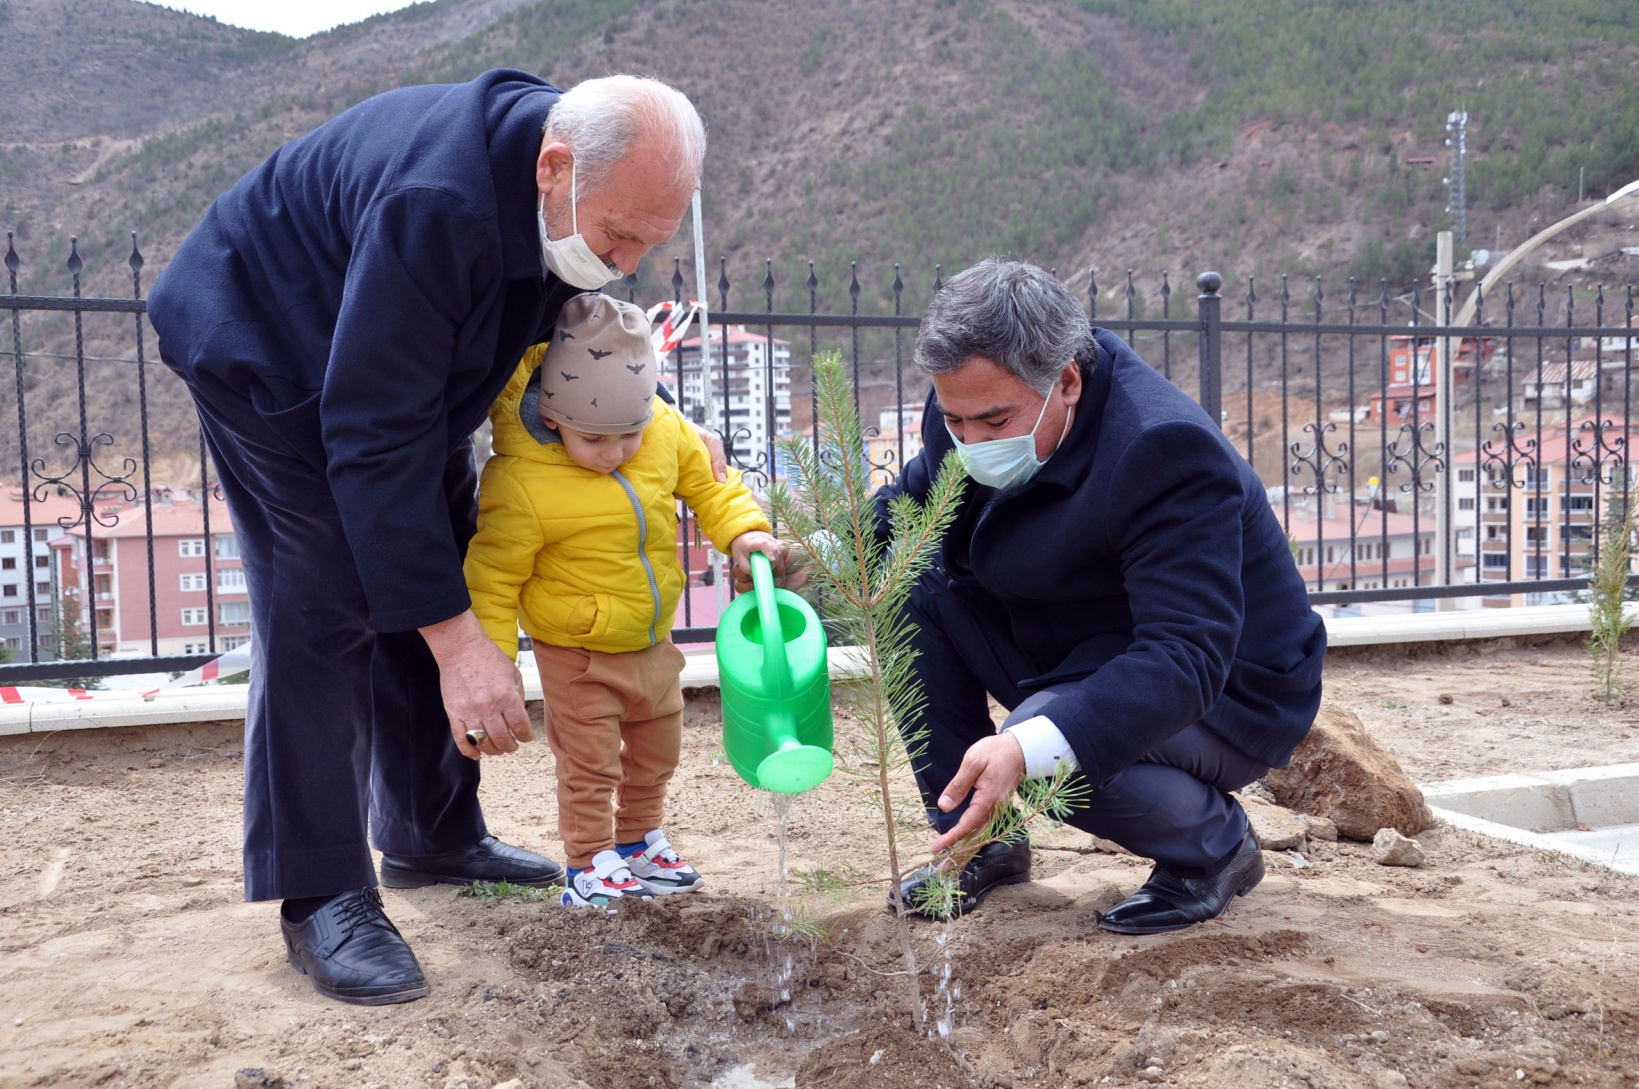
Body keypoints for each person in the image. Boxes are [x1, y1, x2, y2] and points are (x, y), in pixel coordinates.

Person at [146, 70, 725, 1005]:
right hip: (267, 341)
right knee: (324, 592)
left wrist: (660, 422)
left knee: (440, 553)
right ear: (554, 168)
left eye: (648, 244)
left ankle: (430, 832)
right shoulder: (438, 205)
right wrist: (459, 647)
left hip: (391, 366)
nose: (624, 262)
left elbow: (568, 349)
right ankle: (320, 891)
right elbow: (371, 434)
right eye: (618, 235)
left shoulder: (569, 186)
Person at [879, 258, 1326, 933]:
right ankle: (978, 840)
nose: (971, 444)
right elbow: (912, 503)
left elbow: (1185, 656)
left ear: (1066, 381)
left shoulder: (1162, 447)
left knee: (1042, 748)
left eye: (993, 423)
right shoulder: (975, 402)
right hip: (1081, 639)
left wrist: (1029, 745)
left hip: (1224, 686)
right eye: (956, 422)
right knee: (909, 585)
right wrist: (814, 554)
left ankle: (1214, 847)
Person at [465, 293, 780, 908]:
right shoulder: (522, 481)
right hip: (577, 652)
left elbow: (711, 485)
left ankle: (638, 841)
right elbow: (492, 579)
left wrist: (744, 532)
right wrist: (494, 661)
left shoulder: (663, 432)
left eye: (629, 435)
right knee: (590, 764)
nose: (614, 453)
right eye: (594, 439)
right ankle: (588, 865)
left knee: (659, 751)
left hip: (652, 638)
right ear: (552, 417)